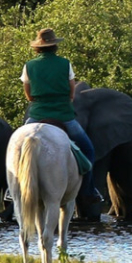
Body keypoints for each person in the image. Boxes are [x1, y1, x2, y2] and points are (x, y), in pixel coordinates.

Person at [21, 28, 103, 206]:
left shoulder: (29, 66)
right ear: (55, 46)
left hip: (37, 115)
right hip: (64, 115)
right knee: (88, 150)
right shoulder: (65, 64)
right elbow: (71, 92)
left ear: (38, 47)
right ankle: (88, 190)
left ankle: (13, 193)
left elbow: (28, 95)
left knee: (18, 148)